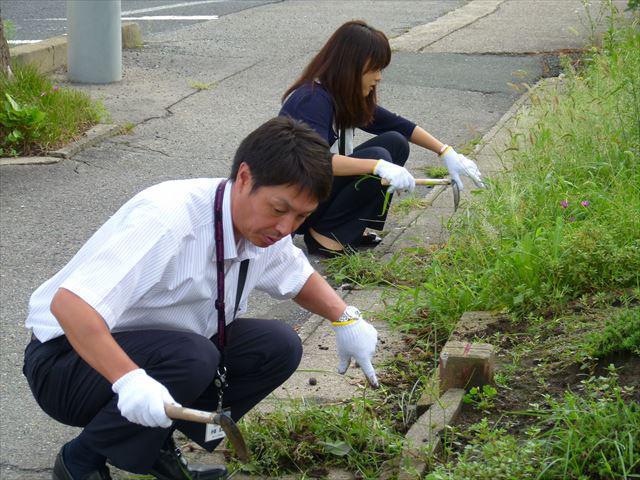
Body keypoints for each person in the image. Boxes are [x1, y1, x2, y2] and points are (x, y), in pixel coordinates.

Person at [23, 117, 379, 480]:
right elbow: (70, 305)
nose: (286, 227)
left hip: (156, 351)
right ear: (245, 178)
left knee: (278, 346)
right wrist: (128, 379)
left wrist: (345, 318)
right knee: (194, 357)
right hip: (66, 361)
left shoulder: (263, 230)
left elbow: (296, 275)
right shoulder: (168, 219)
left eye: (302, 216)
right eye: (279, 209)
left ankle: (152, 442)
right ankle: (79, 460)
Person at [280, 20, 484, 257]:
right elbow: (314, 161)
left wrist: (446, 152)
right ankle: (326, 236)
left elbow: (397, 125)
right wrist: (377, 166)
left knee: (395, 143)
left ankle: (351, 228)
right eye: (374, 69)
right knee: (379, 157)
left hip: (316, 193)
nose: (379, 77)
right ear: (350, 67)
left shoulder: (343, 96)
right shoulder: (312, 99)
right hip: (294, 204)